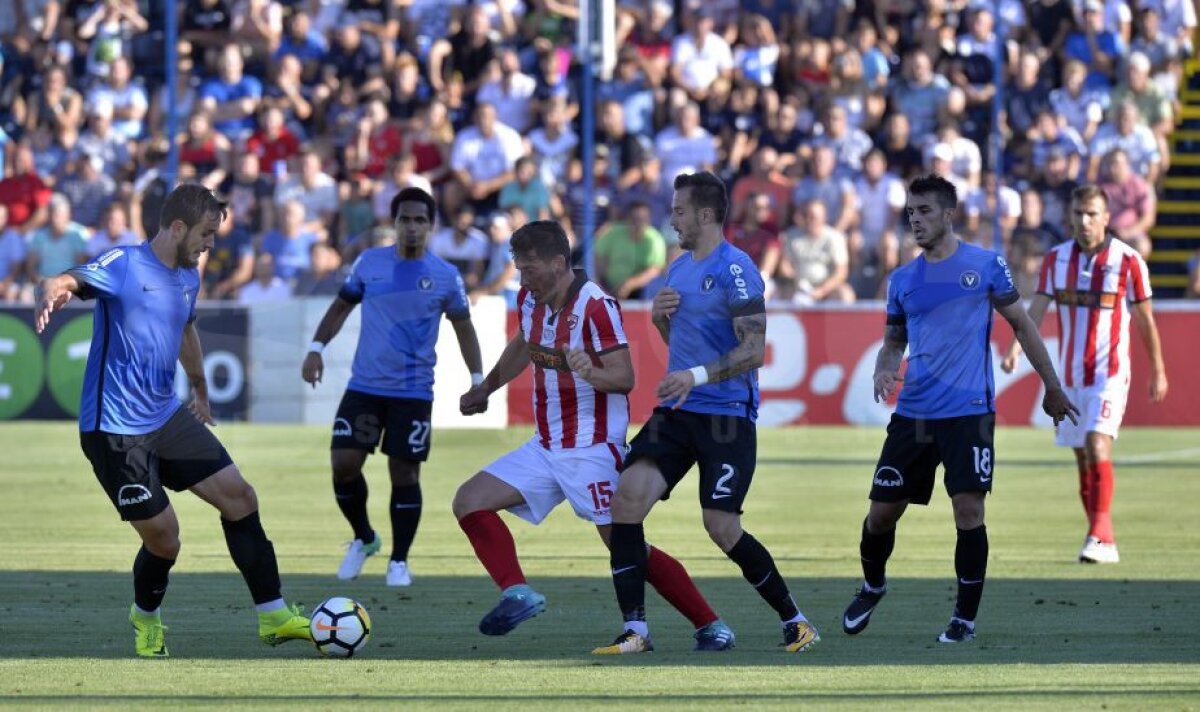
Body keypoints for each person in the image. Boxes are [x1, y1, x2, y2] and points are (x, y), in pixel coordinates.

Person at [33, 184, 311, 657]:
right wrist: (53, 289)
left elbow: (185, 329)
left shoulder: (187, 276)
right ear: (178, 227)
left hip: (165, 414)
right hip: (115, 429)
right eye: (206, 234)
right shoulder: (125, 264)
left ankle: (274, 616)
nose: (210, 244)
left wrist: (199, 386)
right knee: (166, 541)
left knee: (240, 497)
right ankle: (145, 617)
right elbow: (65, 280)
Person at [454, 220, 735, 651]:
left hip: (592, 449)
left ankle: (710, 624)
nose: (522, 280)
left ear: (558, 263)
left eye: (529, 269)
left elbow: (625, 378)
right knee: (469, 500)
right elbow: (524, 343)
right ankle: (517, 592)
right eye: (519, 269)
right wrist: (487, 387)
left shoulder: (596, 305)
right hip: (546, 445)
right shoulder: (530, 298)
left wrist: (588, 371)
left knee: (627, 547)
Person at [842, 175, 1079, 645]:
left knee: (969, 511)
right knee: (881, 515)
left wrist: (1052, 386)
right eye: (911, 212)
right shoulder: (902, 280)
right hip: (914, 414)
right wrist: (883, 368)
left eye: (925, 211)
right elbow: (893, 342)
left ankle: (963, 621)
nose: (915, 220)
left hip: (968, 411)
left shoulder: (985, 265)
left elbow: (1023, 325)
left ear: (949, 214)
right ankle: (873, 585)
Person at [596, 171, 818, 655]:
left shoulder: (737, 269)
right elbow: (680, 343)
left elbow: (754, 350)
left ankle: (796, 620)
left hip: (726, 415)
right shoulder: (677, 269)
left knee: (721, 527)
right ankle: (636, 631)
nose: (672, 219)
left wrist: (694, 376)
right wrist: (659, 320)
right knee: (626, 500)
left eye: (679, 211)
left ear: (704, 214)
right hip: (678, 411)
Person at [302, 187, 484, 587]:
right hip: (365, 387)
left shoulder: (445, 276)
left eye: (420, 220)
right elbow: (341, 306)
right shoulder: (370, 263)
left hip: (412, 392)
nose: (412, 227)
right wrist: (316, 348)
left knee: (404, 473)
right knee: (343, 464)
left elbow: (464, 328)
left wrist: (477, 381)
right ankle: (364, 538)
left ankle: (399, 561)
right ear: (394, 222)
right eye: (405, 219)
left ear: (431, 226)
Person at [1002, 184, 1167, 564]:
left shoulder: (1128, 261)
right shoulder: (1055, 260)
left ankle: (1099, 535)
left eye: (1092, 213)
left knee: (1096, 444)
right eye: (1078, 213)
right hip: (1070, 376)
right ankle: (1100, 535)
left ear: (1106, 217)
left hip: (1110, 374)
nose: (1085, 220)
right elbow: (1037, 310)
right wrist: (1015, 348)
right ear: (1070, 216)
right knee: (1082, 457)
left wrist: (1158, 369)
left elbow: (1145, 320)